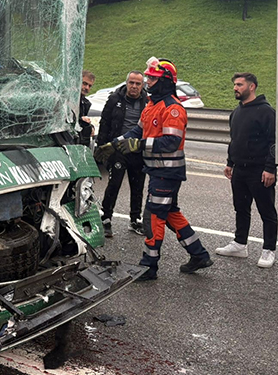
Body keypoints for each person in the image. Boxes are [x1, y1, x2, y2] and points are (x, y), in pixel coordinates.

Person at [97, 57, 212, 281]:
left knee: (152, 217)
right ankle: (199, 254)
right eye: (148, 77)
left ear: (166, 82)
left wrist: (138, 146)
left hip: (167, 173)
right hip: (158, 171)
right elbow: (137, 132)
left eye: (153, 78)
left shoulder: (173, 109)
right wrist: (115, 143)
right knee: (169, 213)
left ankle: (149, 266)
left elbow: (170, 142)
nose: (148, 81)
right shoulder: (151, 105)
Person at [215, 73, 278, 268]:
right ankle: (240, 244)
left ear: (252, 87)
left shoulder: (266, 112)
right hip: (239, 171)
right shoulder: (236, 112)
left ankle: (269, 250)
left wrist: (270, 168)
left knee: (266, 212)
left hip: (259, 171)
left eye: (240, 85)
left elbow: (274, 142)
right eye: (234, 84)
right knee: (240, 209)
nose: (235, 88)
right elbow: (235, 140)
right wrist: (230, 162)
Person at [96, 70, 147, 238]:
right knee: (114, 184)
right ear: (126, 83)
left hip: (137, 150)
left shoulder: (147, 102)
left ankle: (134, 219)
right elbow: (105, 121)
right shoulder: (114, 99)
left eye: (137, 83)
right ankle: (106, 218)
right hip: (118, 150)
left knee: (137, 185)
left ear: (142, 85)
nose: (134, 86)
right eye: (131, 82)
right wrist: (101, 146)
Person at [78, 71, 95, 147]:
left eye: (90, 86)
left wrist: (91, 127)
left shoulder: (86, 103)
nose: (87, 88)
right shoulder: (67, 99)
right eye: (84, 84)